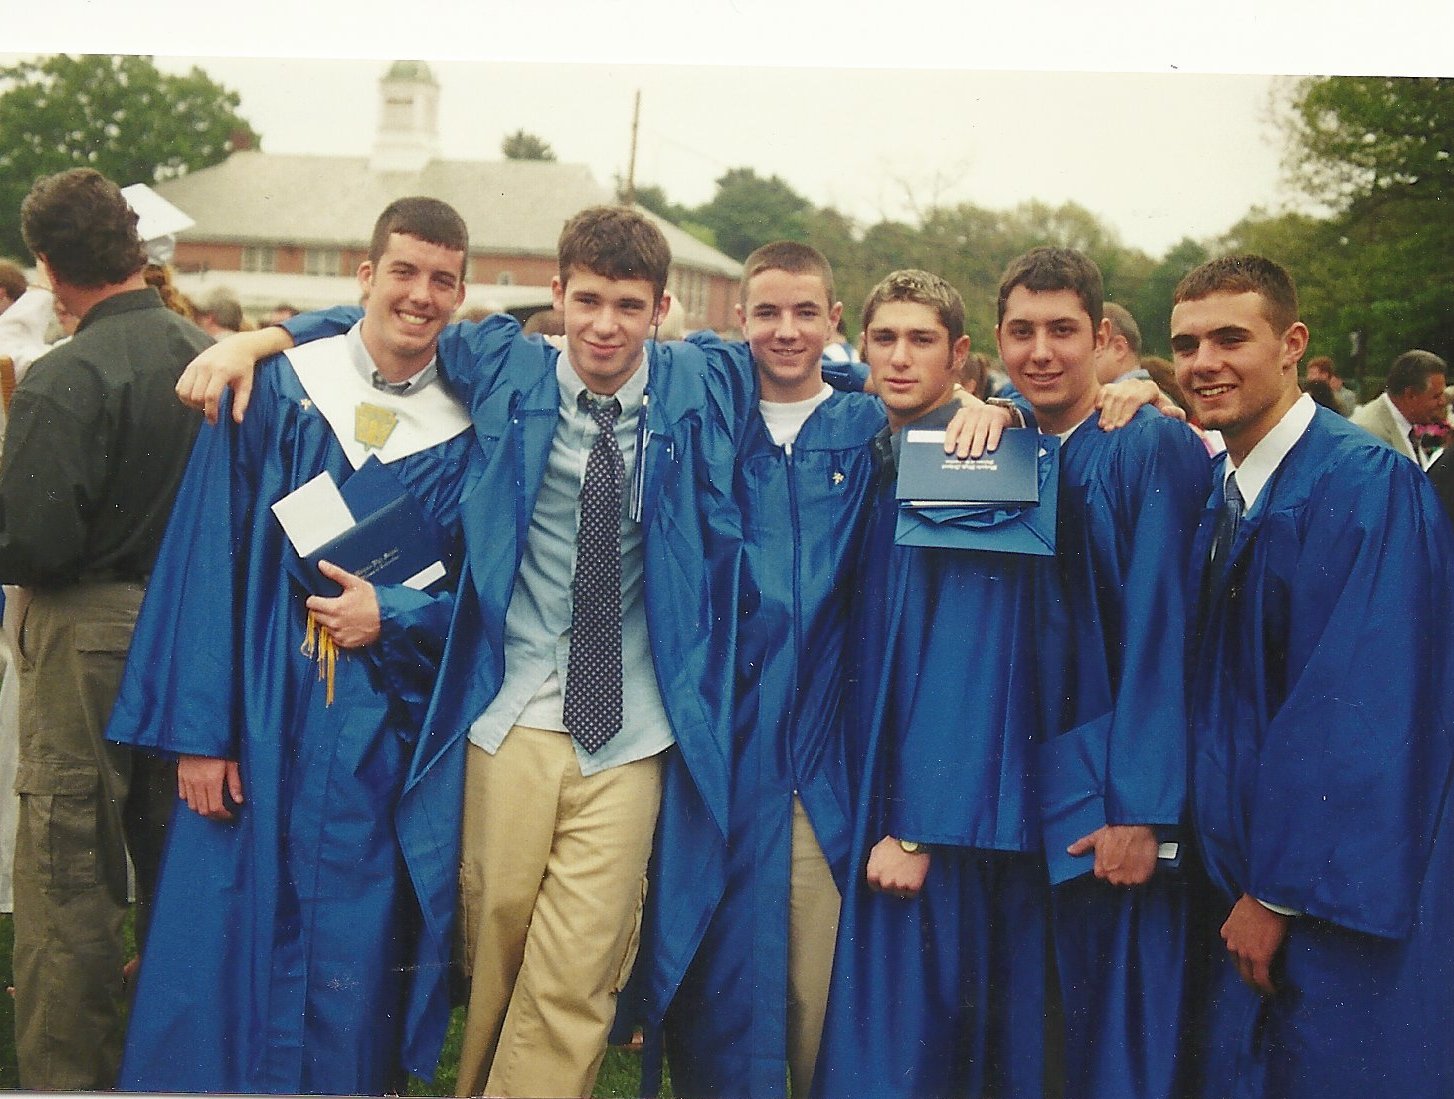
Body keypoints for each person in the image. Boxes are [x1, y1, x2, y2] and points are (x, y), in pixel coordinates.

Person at [180, 205, 747, 1098]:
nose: (606, 325)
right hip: (510, 715)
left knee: (578, 971)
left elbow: (810, 367)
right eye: (588, 301)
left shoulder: (695, 380)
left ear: (662, 309)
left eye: (629, 306)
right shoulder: (504, 362)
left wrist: (973, 403)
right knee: (495, 954)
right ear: (556, 295)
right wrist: (263, 337)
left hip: (632, 726)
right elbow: (400, 314)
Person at [106, 197, 503, 1094]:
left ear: (460, 293)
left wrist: (391, 613)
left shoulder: (468, 427)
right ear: (365, 276)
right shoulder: (279, 391)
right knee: (224, 942)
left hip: (376, 733)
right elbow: (207, 557)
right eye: (403, 271)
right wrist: (200, 734)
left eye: (442, 280)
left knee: (350, 950)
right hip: (258, 712)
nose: (420, 294)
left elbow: (480, 598)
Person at [1172, 254, 1454, 1098]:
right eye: (1186, 344)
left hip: (1322, 898)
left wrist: (1277, 893)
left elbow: (1358, 710)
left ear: (1292, 343)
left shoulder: (1363, 485)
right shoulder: (1226, 485)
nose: (1204, 362)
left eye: (1231, 338)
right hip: (1247, 877)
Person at [813, 269, 1053, 1099]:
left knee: (913, 1026)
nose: (899, 357)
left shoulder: (975, 454)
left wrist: (919, 829)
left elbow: (975, 657)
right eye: (883, 339)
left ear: (960, 354)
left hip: (934, 807)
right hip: (878, 770)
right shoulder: (887, 440)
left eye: (922, 340)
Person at [0, 167, 212, 1090]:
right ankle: (173, 1067)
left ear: (49, 267)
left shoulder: (63, 376)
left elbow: (34, 543)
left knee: (68, 874)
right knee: (182, 864)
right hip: (192, 627)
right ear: (131, 243)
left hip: (88, 628)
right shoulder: (207, 354)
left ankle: (68, 1078)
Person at [659, 242, 884, 1099]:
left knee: (829, 1001)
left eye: (805, 312)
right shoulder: (708, 414)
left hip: (830, 758)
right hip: (722, 753)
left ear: (835, 318)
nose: (786, 330)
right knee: (725, 998)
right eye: (766, 312)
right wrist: (282, 333)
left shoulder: (875, 427)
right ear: (738, 317)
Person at [996, 247, 1210, 1099]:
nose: (1041, 351)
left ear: (1102, 337)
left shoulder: (1146, 443)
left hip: (1107, 796)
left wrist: (1143, 811)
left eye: (1063, 330)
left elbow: (1165, 631)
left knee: (1113, 1031)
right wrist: (989, 406)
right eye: (1022, 332)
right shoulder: (1002, 442)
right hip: (1020, 787)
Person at [1349, 348, 1448, 469]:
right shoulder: (1370, 434)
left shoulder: (1404, 426)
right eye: (1436, 396)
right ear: (1410, 395)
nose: (1443, 402)